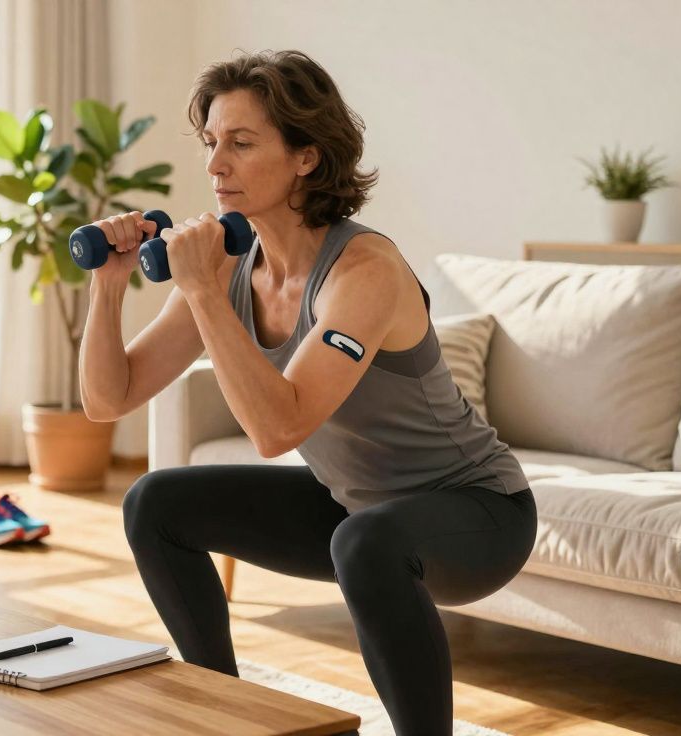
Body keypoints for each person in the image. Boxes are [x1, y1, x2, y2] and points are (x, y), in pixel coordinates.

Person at [78, 49, 535, 736]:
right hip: (353, 507)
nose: (215, 165)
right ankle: (225, 715)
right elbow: (108, 399)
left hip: (478, 511)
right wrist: (108, 288)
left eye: (241, 142)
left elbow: (276, 430)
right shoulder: (233, 267)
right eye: (211, 144)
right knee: (155, 502)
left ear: (306, 158)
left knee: (366, 543)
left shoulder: (364, 270)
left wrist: (201, 290)